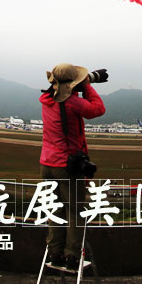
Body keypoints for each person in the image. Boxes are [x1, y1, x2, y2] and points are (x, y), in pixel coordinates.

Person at [39, 63, 106, 271]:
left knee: (55, 209)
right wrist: (87, 86)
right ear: (73, 85)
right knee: (75, 210)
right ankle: (72, 255)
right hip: (66, 165)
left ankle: (55, 251)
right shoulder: (73, 103)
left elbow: (62, 94)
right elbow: (98, 109)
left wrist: (78, 85)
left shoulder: (46, 100)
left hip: (46, 164)